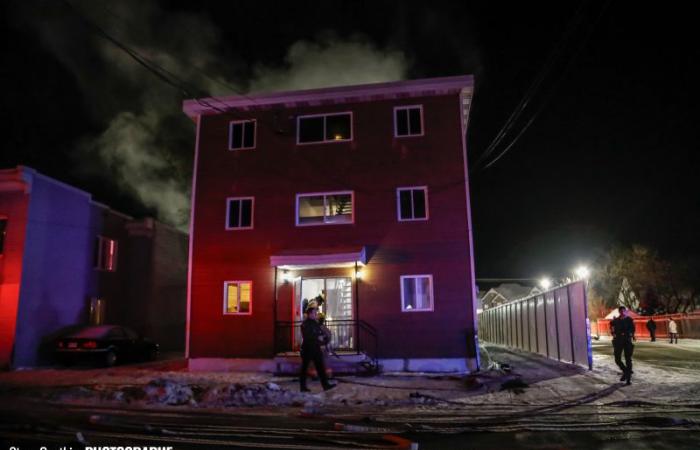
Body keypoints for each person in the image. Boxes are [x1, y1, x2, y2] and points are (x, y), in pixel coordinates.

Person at [299, 306, 336, 392]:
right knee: (304, 368)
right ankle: (302, 387)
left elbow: (320, 333)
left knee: (320, 367)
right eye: (315, 313)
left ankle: (325, 385)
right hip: (308, 349)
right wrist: (317, 337)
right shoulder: (305, 324)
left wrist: (325, 338)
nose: (316, 314)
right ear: (310, 314)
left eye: (316, 313)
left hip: (316, 348)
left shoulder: (315, 323)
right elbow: (307, 336)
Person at [611, 306, 635, 385]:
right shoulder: (616, 321)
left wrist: (630, 334)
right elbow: (612, 328)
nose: (622, 312)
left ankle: (628, 379)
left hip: (627, 341)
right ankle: (625, 371)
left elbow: (633, 329)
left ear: (625, 312)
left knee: (628, 359)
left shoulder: (629, 320)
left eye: (623, 311)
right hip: (618, 341)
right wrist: (613, 333)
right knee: (617, 359)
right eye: (621, 311)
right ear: (619, 312)